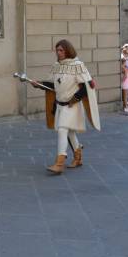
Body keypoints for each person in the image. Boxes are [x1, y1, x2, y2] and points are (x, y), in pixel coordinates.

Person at [32, 39, 100, 175]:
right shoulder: (57, 66)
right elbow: (54, 86)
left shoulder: (78, 65)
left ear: (68, 50)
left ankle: (59, 163)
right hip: (60, 104)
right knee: (70, 132)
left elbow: (87, 86)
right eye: (57, 50)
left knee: (63, 130)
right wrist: (39, 84)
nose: (59, 53)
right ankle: (78, 156)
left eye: (61, 50)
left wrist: (74, 99)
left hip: (72, 105)